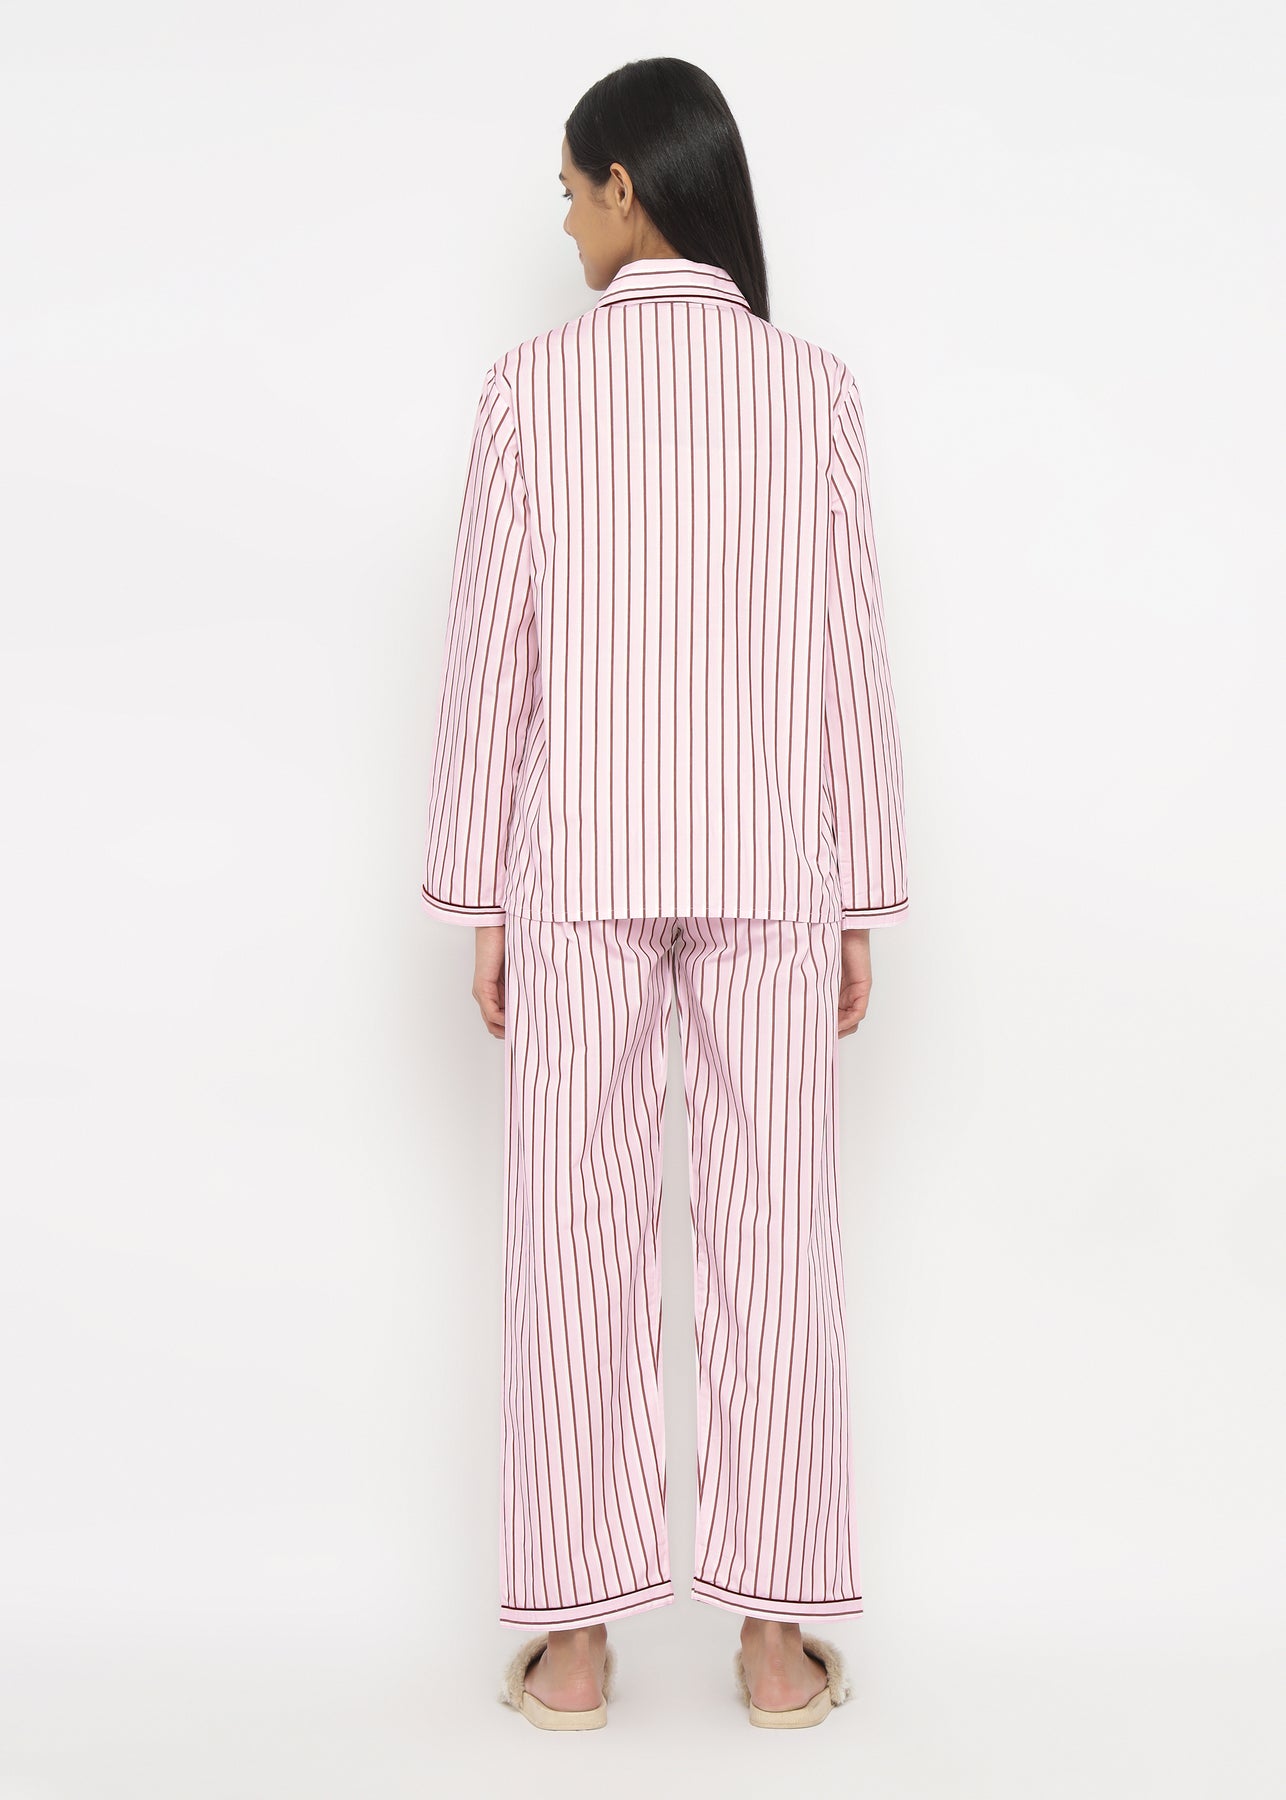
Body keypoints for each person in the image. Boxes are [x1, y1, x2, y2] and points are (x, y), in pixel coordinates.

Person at [419, 56, 909, 1731]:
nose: (563, 222)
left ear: (628, 186)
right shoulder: (811, 390)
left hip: (582, 866)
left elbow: (489, 659)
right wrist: (861, 892)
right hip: (771, 863)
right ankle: (772, 1650)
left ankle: (573, 1652)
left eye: (570, 191)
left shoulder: (527, 391)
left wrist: (477, 891)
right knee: (779, 1238)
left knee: (572, 1236)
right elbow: (848, 657)